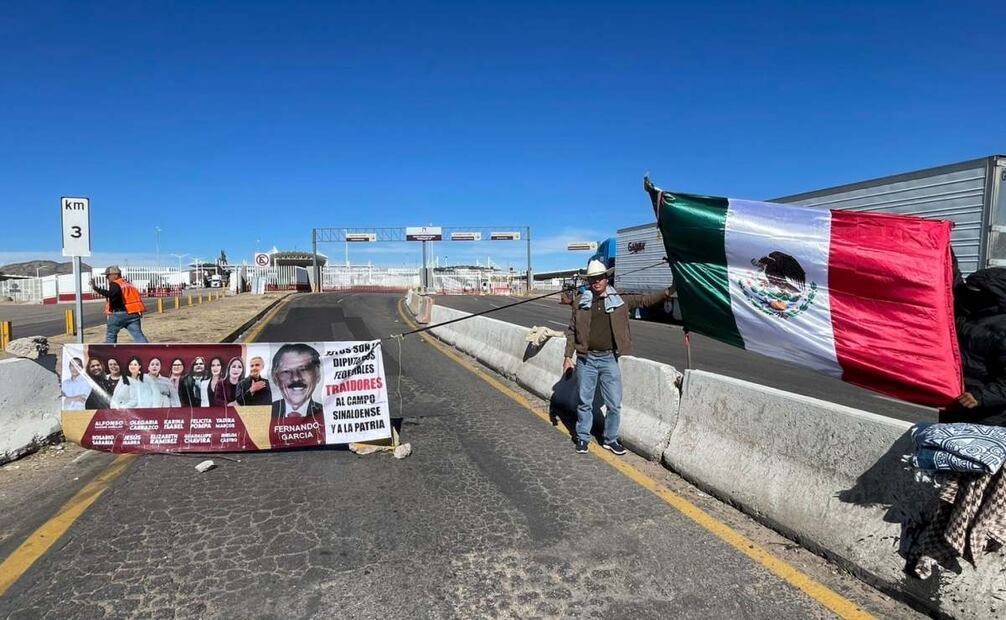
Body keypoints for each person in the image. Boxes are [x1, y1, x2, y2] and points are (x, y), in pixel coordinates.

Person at [563, 259, 674, 454]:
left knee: (614, 404)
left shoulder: (620, 298)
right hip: (585, 359)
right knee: (585, 402)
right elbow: (572, 330)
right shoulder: (581, 302)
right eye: (592, 279)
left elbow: (645, 300)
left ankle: (610, 439)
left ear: (606, 278)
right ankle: (582, 437)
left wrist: (669, 291)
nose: (596, 282)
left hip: (609, 359)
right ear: (588, 281)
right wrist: (567, 356)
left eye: (599, 278)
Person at [943, 267, 1006, 426]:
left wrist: (981, 396)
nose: (969, 293)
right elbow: (951, 277)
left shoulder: (1002, 328)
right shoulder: (968, 310)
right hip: (955, 403)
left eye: (977, 291)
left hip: (988, 416)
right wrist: (943, 245)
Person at [89, 266, 148, 343]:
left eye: (108, 275)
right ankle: (146, 351)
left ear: (115, 275)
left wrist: (96, 288)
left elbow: (111, 295)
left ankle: (110, 353)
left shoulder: (115, 284)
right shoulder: (128, 284)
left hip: (119, 314)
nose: (107, 278)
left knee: (111, 335)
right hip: (134, 313)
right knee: (138, 335)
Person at [270, 343, 324, 418]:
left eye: (303, 369)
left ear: (317, 374)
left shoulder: (328, 413)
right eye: (287, 371)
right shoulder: (263, 413)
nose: (296, 378)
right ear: (275, 378)